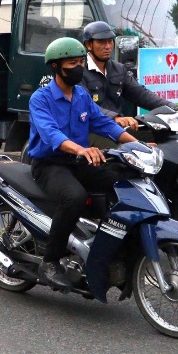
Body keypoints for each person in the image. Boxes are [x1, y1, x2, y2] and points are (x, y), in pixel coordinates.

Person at [26, 38, 142, 290]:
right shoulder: (40, 99)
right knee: (74, 197)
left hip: (79, 160)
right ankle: (51, 261)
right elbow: (51, 134)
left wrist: (138, 145)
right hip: (49, 164)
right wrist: (81, 149)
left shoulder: (81, 95)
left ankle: (108, 242)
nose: (79, 68)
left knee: (121, 180)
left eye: (81, 62)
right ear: (56, 67)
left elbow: (105, 124)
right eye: (72, 63)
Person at [80, 21, 174, 130]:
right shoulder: (80, 71)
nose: (108, 46)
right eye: (101, 42)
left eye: (110, 41)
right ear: (88, 45)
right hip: (92, 131)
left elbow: (141, 94)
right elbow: (86, 105)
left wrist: (171, 106)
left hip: (119, 130)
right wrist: (114, 117)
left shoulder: (119, 69)